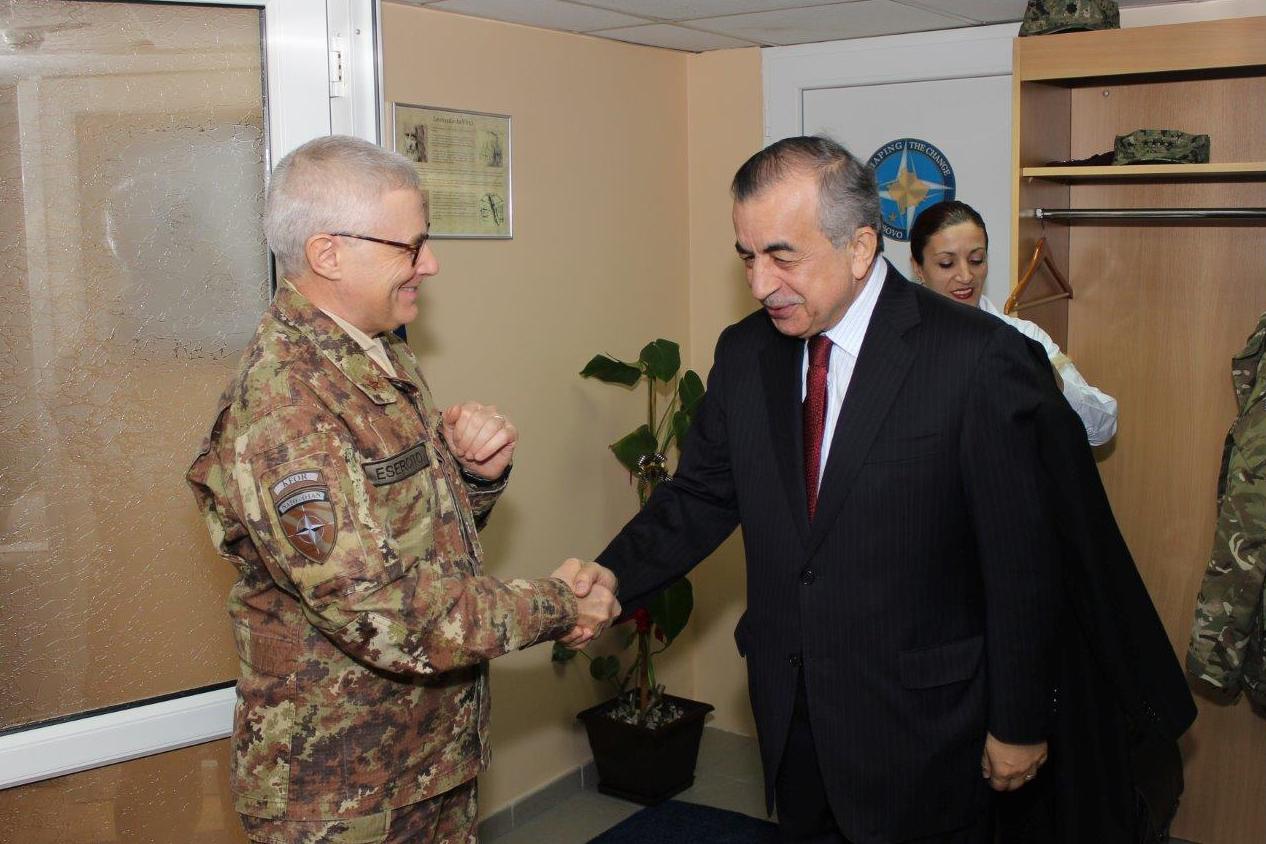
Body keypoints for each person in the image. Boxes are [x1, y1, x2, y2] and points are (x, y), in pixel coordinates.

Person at [592, 136, 1065, 843]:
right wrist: (608, 578)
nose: (760, 284)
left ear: (860, 247)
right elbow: (699, 498)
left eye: (782, 256)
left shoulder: (977, 357)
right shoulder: (745, 354)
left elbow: (1023, 560)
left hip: (926, 726)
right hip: (794, 714)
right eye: (746, 257)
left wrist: (1020, 722)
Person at [186, 135, 620, 844]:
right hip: (343, 790)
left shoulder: (377, 353)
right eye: (410, 246)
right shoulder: (289, 407)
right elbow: (387, 612)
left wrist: (473, 476)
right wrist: (558, 604)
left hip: (423, 759)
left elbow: (411, 538)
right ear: (328, 253)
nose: (431, 263)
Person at [907, 200, 1118, 446]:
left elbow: (1103, 429)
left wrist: (1049, 379)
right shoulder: (898, 342)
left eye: (976, 260)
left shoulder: (1023, 337)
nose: (966, 276)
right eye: (946, 263)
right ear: (918, 268)